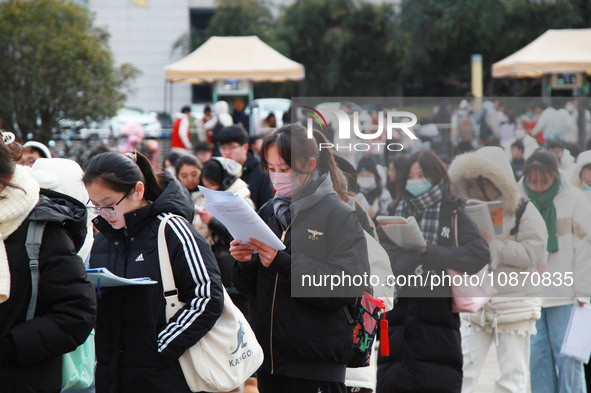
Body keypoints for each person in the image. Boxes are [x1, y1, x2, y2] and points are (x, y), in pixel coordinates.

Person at [230, 124, 370, 393]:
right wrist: (245, 262)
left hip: (315, 365)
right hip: (270, 362)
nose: (277, 177)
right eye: (271, 169)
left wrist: (283, 263)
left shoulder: (338, 215)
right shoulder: (269, 211)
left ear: (310, 164)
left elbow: (347, 287)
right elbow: (254, 291)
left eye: (285, 169)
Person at [83, 151, 224, 393]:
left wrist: (160, 346)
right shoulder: (104, 238)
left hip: (165, 374)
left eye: (109, 205)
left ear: (138, 190)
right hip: (112, 373)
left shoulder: (172, 229)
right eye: (95, 206)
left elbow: (208, 296)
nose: (104, 214)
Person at [376, 150, 490, 393]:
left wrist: (430, 252)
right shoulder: (394, 209)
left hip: (438, 318)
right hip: (397, 317)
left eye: (422, 174)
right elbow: (382, 251)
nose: (416, 180)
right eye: (412, 175)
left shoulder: (453, 212)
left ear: (436, 176)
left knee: (436, 380)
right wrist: (412, 262)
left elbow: (478, 254)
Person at [448, 146, 547, 393]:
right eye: (471, 183)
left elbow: (534, 251)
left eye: (483, 183)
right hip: (475, 304)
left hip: (514, 305)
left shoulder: (524, 209)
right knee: (462, 371)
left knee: (513, 375)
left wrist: (495, 247)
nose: (477, 189)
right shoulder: (465, 209)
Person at [0, 138, 96, 393]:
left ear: (5, 178)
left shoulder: (42, 228)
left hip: (21, 379)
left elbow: (76, 313)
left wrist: (9, 345)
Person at [522, 149, 591, 393]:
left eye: (544, 181)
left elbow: (586, 249)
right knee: (537, 359)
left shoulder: (574, 200)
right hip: (531, 296)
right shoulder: (519, 201)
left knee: (568, 359)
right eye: (533, 181)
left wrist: (584, 291)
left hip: (566, 294)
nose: (538, 187)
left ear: (555, 175)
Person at [217, 125, 274, 210]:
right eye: (223, 148)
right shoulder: (219, 170)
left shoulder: (261, 172)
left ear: (245, 148)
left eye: (231, 147)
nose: (227, 153)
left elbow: (267, 207)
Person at [356, 155, 392, 220]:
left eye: (368, 175)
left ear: (375, 176)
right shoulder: (355, 195)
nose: (365, 178)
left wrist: (375, 216)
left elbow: (388, 220)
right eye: (361, 175)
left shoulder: (383, 195)